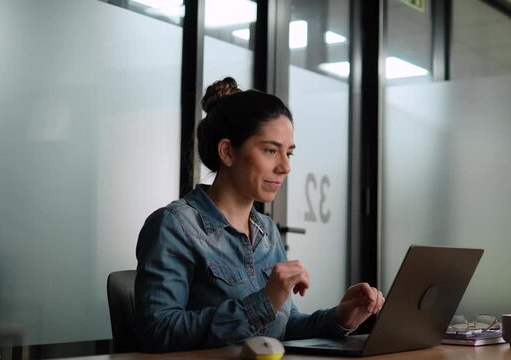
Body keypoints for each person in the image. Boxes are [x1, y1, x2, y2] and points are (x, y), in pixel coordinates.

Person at [134, 77, 384, 353]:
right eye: (270, 150)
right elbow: (157, 331)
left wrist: (339, 318)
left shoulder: (266, 231)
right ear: (227, 152)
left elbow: (282, 329)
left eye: (289, 153)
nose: (285, 166)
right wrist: (264, 301)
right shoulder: (174, 225)